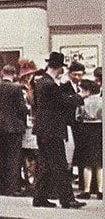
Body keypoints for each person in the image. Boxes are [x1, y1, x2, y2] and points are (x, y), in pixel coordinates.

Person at [31, 52, 85, 209]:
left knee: (45, 164)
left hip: (43, 129)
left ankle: (39, 198)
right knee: (60, 165)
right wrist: (80, 96)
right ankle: (67, 199)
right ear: (59, 67)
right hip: (52, 130)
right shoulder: (50, 84)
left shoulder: (42, 82)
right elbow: (62, 103)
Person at [0, 64, 29, 196]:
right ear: (14, 74)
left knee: (1, 157)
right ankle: (12, 187)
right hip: (14, 126)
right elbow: (22, 109)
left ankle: (1, 187)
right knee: (13, 158)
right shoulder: (16, 89)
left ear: (2, 73)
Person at [61, 61, 86, 189]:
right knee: (69, 153)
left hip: (80, 125)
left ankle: (83, 183)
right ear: (70, 74)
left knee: (82, 153)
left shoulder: (84, 86)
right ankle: (68, 182)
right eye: (75, 75)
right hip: (69, 123)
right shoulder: (64, 87)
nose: (77, 78)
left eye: (80, 75)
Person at [75, 79, 102, 199]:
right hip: (99, 129)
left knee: (87, 163)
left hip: (86, 130)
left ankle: (86, 190)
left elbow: (78, 117)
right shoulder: (102, 101)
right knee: (100, 163)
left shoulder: (83, 102)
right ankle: (100, 190)